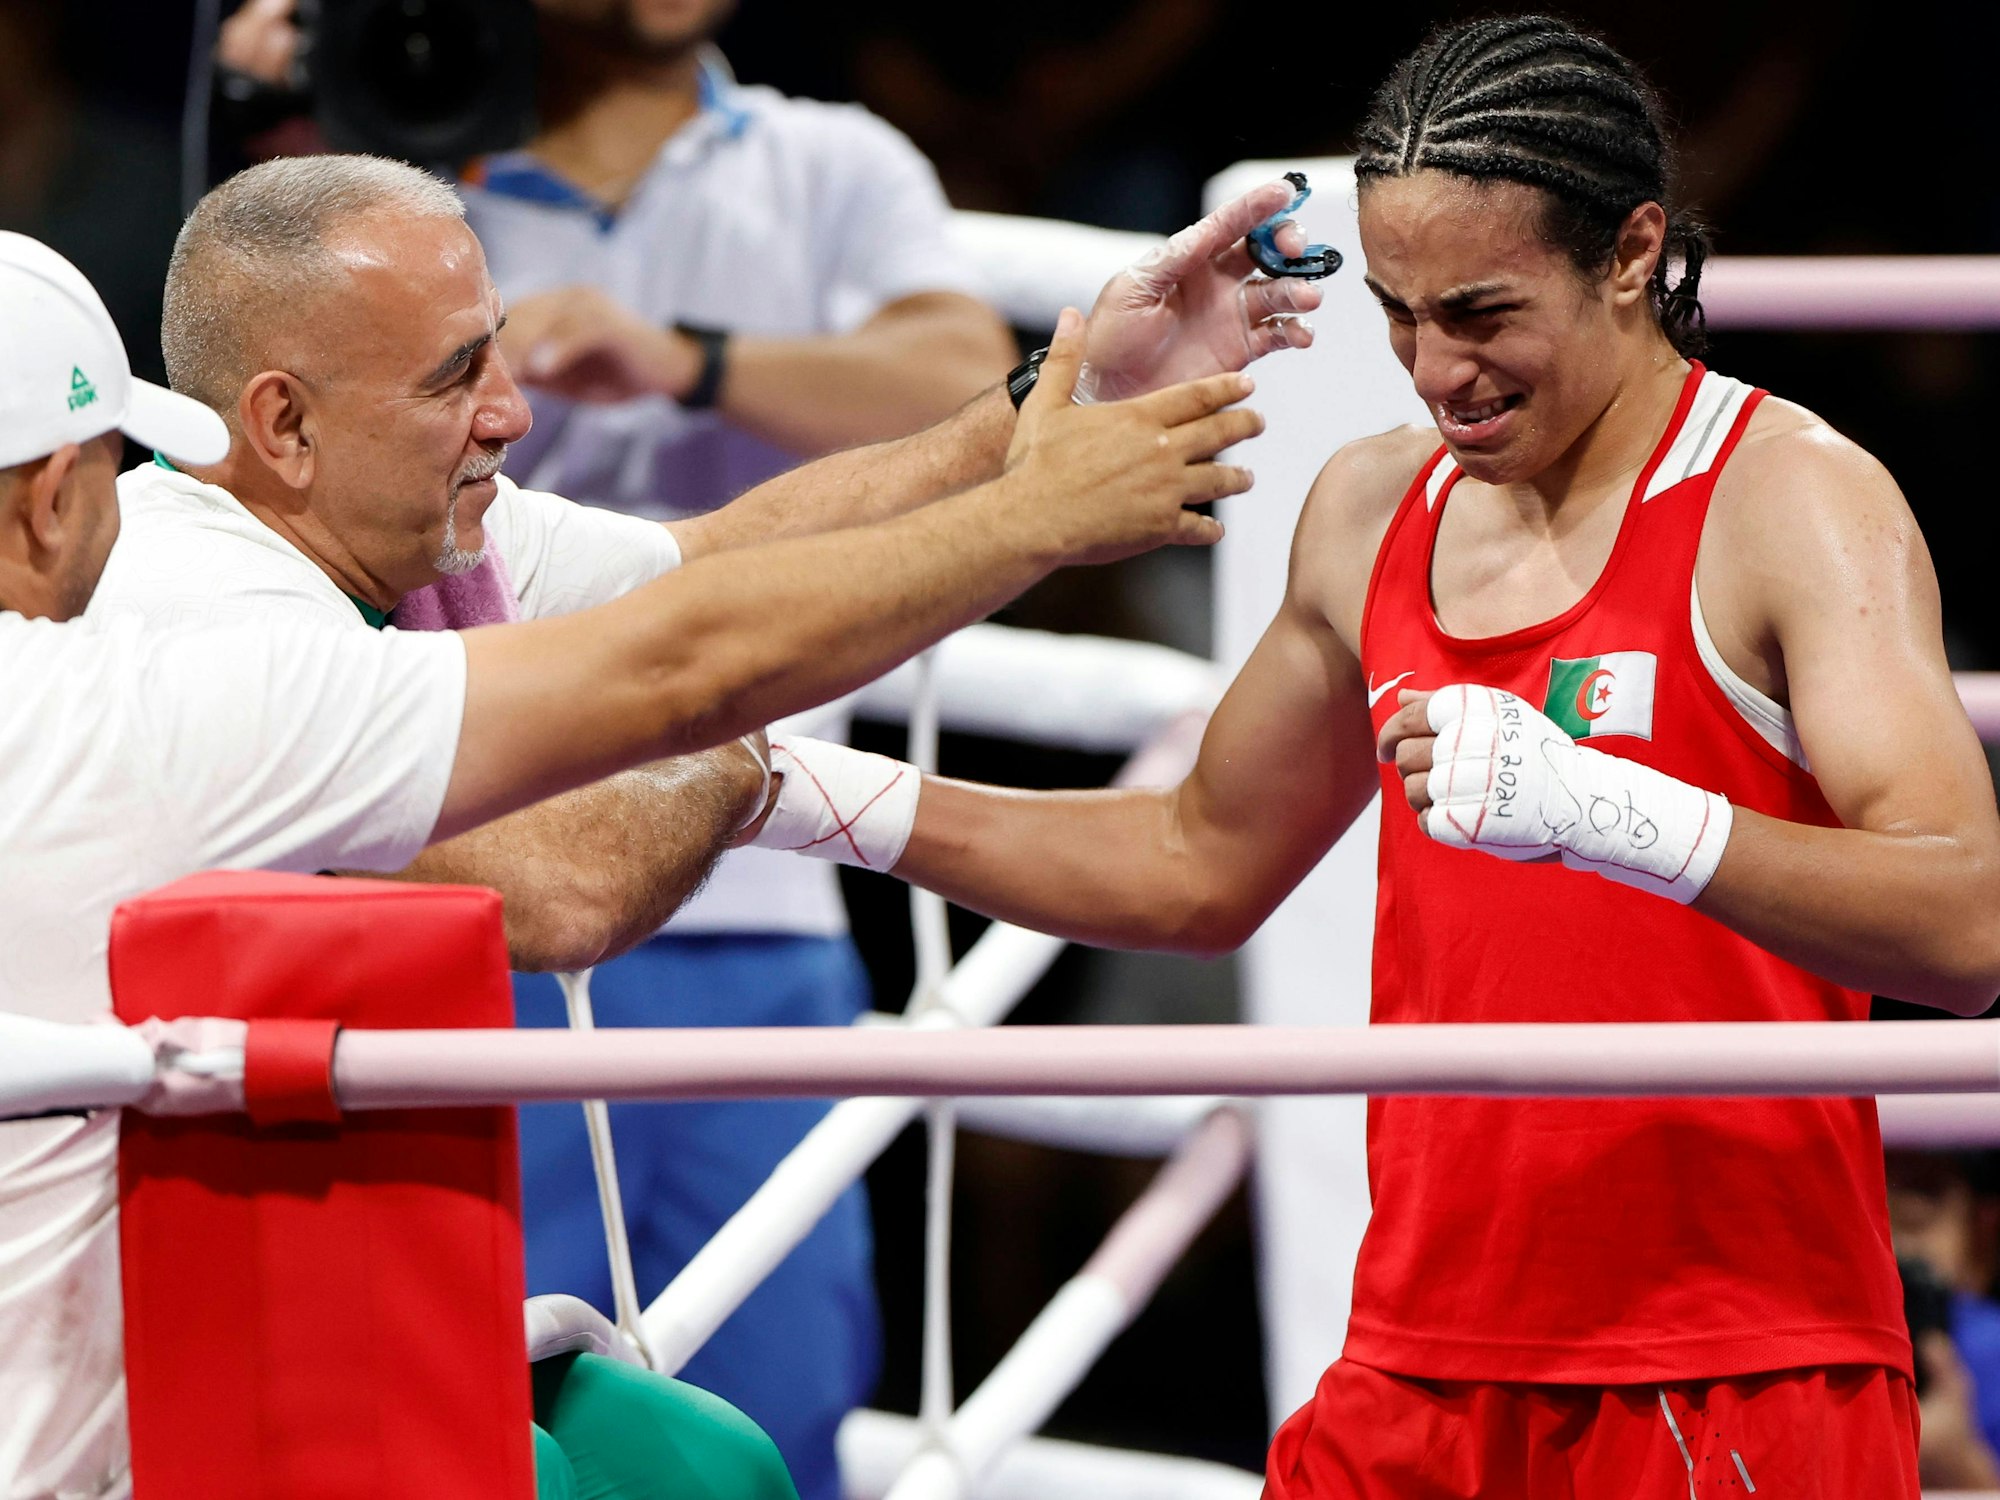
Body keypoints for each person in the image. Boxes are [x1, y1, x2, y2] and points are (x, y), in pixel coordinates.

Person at [739, 15, 2000, 1496]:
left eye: (1480, 311)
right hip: (1415, 1356)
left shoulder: (1791, 500)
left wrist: (1621, 816)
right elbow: (1195, 863)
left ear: (1630, 252)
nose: (1433, 370)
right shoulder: (1370, 509)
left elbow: (1964, 921)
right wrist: (810, 796)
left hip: (1725, 1358)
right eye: (1399, 314)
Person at [0, 212, 1278, 1495]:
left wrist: (1037, 414)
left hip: (238, 1296)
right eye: (455, 376)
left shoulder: (357, 538)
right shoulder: (182, 656)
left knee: (704, 1462)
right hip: (166, 1383)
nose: (510, 412)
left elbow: (712, 564)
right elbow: (573, 857)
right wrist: (1027, 528)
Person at [460, 9, 1019, 1479]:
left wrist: (680, 359)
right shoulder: (396, 190)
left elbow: (967, 379)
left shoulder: (829, 161)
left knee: (776, 1417)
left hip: (749, 881)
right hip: (471, 895)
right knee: (472, 1422)